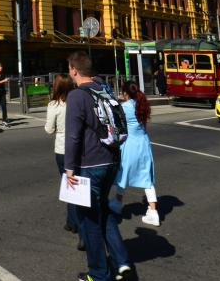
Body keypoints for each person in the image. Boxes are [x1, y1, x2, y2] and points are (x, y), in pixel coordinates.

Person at [63, 51, 128, 281]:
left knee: (88, 221)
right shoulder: (104, 89)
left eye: (69, 69)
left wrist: (69, 169)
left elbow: (72, 137)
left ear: (74, 69)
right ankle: (121, 261)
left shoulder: (77, 96)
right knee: (102, 209)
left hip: (90, 165)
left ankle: (100, 274)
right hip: (112, 160)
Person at [116, 81, 159, 226]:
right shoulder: (143, 104)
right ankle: (154, 212)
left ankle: (117, 204)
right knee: (147, 176)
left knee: (123, 173)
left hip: (130, 144)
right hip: (144, 143)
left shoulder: (123, 107)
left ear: (126, 93)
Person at [45, 75, 79, 239]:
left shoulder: (54, 105)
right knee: (76, 183)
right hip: (78, 147)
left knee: (69, 185)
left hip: (62, 149)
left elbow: (49, 129)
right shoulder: (76, 102)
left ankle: (74, 222)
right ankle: (73, 220)